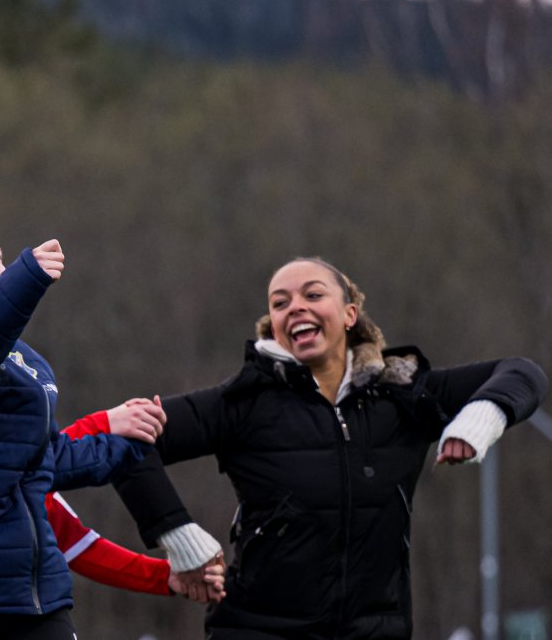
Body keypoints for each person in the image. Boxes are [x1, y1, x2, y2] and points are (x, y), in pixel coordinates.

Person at [114, 256, 549, 639]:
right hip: (257, 630)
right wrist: (179, 537)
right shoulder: (240, 404)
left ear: (349, 314)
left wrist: (480, 418)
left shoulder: (404, 396)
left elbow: (523, 372)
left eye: (313, 294)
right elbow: (124, 439)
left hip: (377, 631)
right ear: (275, 327)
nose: (295, 307)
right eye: (280, 303)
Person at [0, 211, 219, 639]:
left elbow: (41, 460)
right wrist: (18, 290)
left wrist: (121, 439)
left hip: (33, 597)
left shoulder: (22, 358)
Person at [53, 400, 224, 599]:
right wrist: (104, 424)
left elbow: (75, 544)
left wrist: (163, 575)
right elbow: (31, 462)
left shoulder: (35, 496)